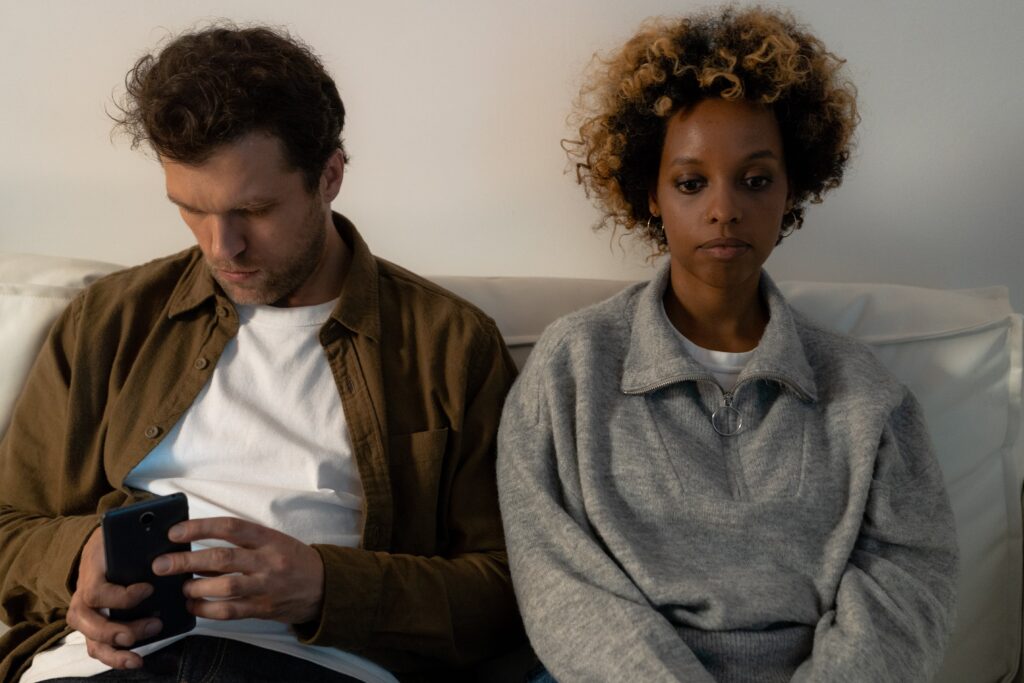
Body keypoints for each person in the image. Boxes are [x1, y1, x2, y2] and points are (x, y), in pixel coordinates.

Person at [0, 25, 520, 683]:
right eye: (191, 210)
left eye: (255, 210)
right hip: (101, 668)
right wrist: (80, 556)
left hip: (310, 666)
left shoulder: (449, 345)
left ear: (329, 175)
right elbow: (9, 528)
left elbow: (510, 588)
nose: (224, 248)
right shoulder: (107, 322)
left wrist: (327, 585)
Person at [497, 7, 958, 682]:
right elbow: (558, 581)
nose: (724, 209)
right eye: (691, 182)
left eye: (755, 179)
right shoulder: (572, 366)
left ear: (791, 187)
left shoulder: (865, 392)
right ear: (650, 193)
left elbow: (908, 578)